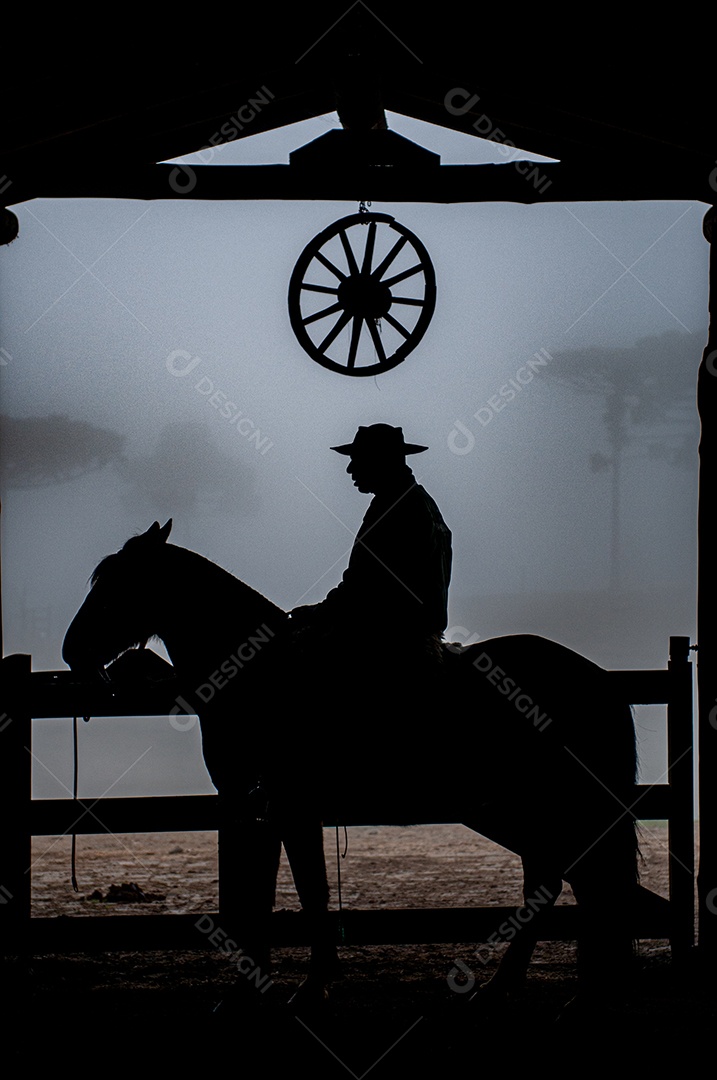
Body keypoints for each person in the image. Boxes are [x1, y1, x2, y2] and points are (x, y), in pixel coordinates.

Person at [290, 424, 452, 683]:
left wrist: (317, 613)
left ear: (380, 460)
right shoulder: (420, 502)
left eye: (358, 460)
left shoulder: (395, 508)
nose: (350, 469)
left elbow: (363, 586)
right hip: (421, 634)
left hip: (388, 638)